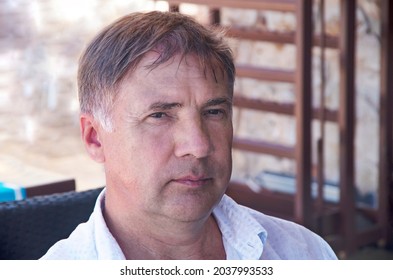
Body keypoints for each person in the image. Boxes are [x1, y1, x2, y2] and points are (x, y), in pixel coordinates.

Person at [41, 11, 337, 260]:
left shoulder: (304, 253)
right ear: (95, 139)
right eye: (160, 115)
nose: (199, 146)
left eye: (214, 112)